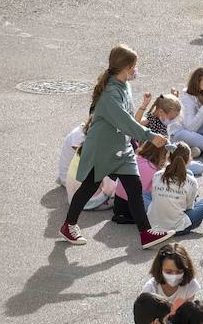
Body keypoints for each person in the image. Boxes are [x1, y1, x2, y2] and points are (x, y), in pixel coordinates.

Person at [61, 45, 174, 249]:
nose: (136, 70)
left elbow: (128, 119)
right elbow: (124, 121)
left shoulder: (124, 86)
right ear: (127, 67)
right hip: (102, 149)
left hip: (121, 148)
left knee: (134, 187)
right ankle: (69, 225)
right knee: (89, 187)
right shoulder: (110, 94)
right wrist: (149, 136)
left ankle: (145, 233)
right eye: (134, 66)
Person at [149, 144, 203, 234]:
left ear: (168, 157)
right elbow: (188, 207)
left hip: (153, 224)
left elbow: (154, 197)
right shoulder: (191, 181)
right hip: (176, 228)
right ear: (189, 159)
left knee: (148, 195)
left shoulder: (157, 174)